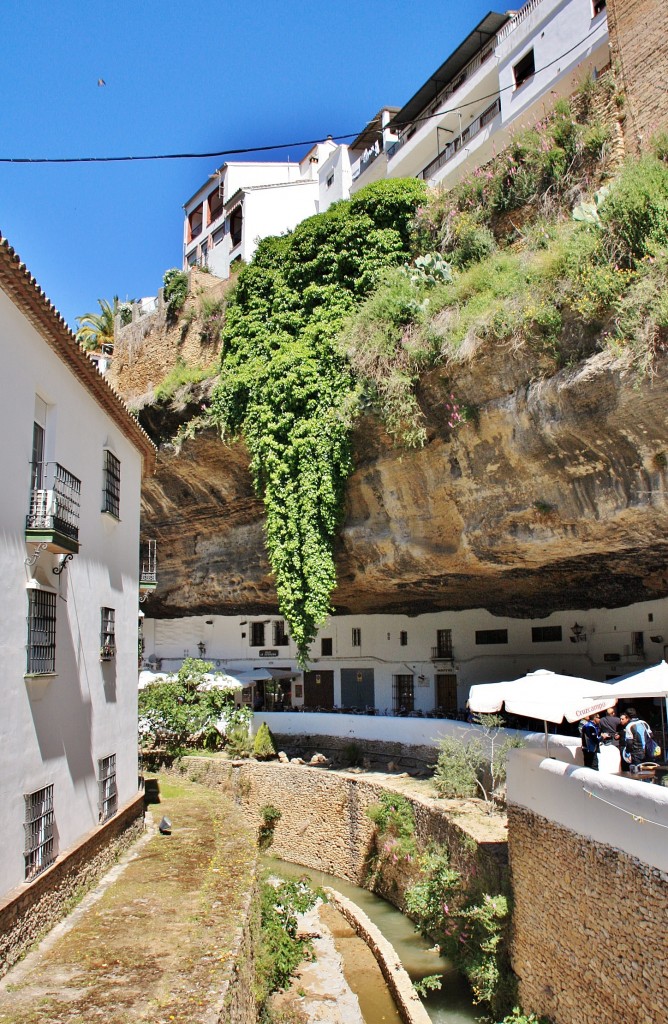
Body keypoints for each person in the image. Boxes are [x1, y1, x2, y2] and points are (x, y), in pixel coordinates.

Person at [622, 707, 647, 772]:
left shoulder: (629, 726)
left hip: (636, 753)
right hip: (646, 751)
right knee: (646, 771)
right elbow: (651, 735)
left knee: (637, 772)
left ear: (627, 716)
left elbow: (629, 742)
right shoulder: (644, 723)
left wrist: (627, 753)